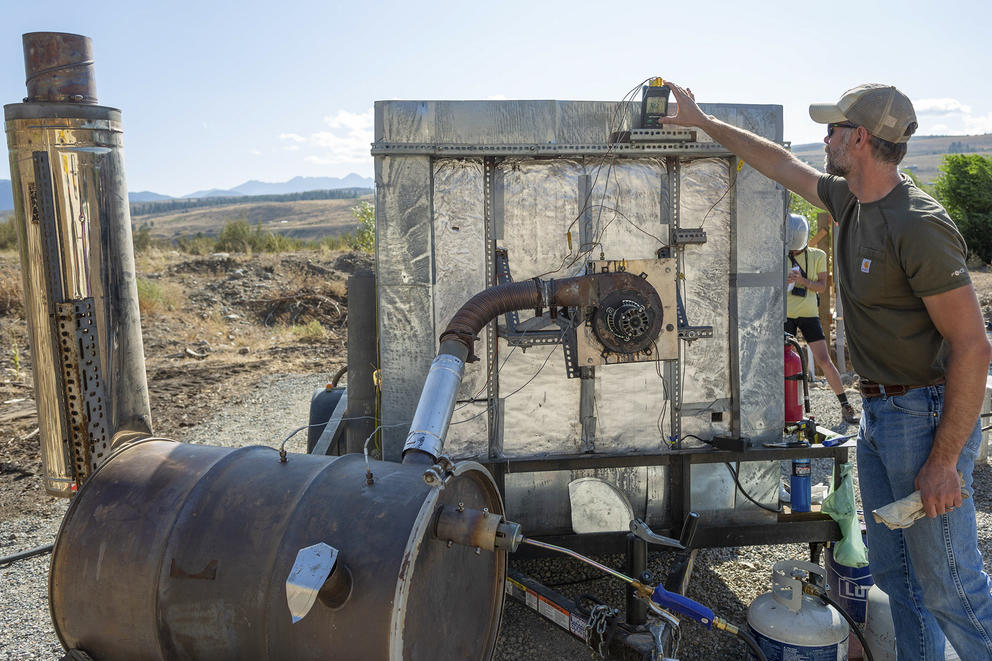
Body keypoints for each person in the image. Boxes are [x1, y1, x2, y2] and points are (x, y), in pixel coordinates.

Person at [664, 82, 992, 659]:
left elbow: (973, 346)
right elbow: (779, 162)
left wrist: (943, 461)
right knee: (900, 582)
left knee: (952, 589)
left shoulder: (917, 223)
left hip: (925, 417)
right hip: (884, 413)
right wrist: (704, 121)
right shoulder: (850, 202)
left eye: (835, 128)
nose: (825, 137)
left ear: (861, 138)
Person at [784, 212, 859, 425]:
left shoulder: (816, 255)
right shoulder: (778, 254)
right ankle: (779, 409)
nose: (794, 251)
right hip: (785, 315)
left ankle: (845, 405)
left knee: (824, 360)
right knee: (780, 362)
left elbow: (821, 287)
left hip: (808, 314)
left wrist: (802, 280)